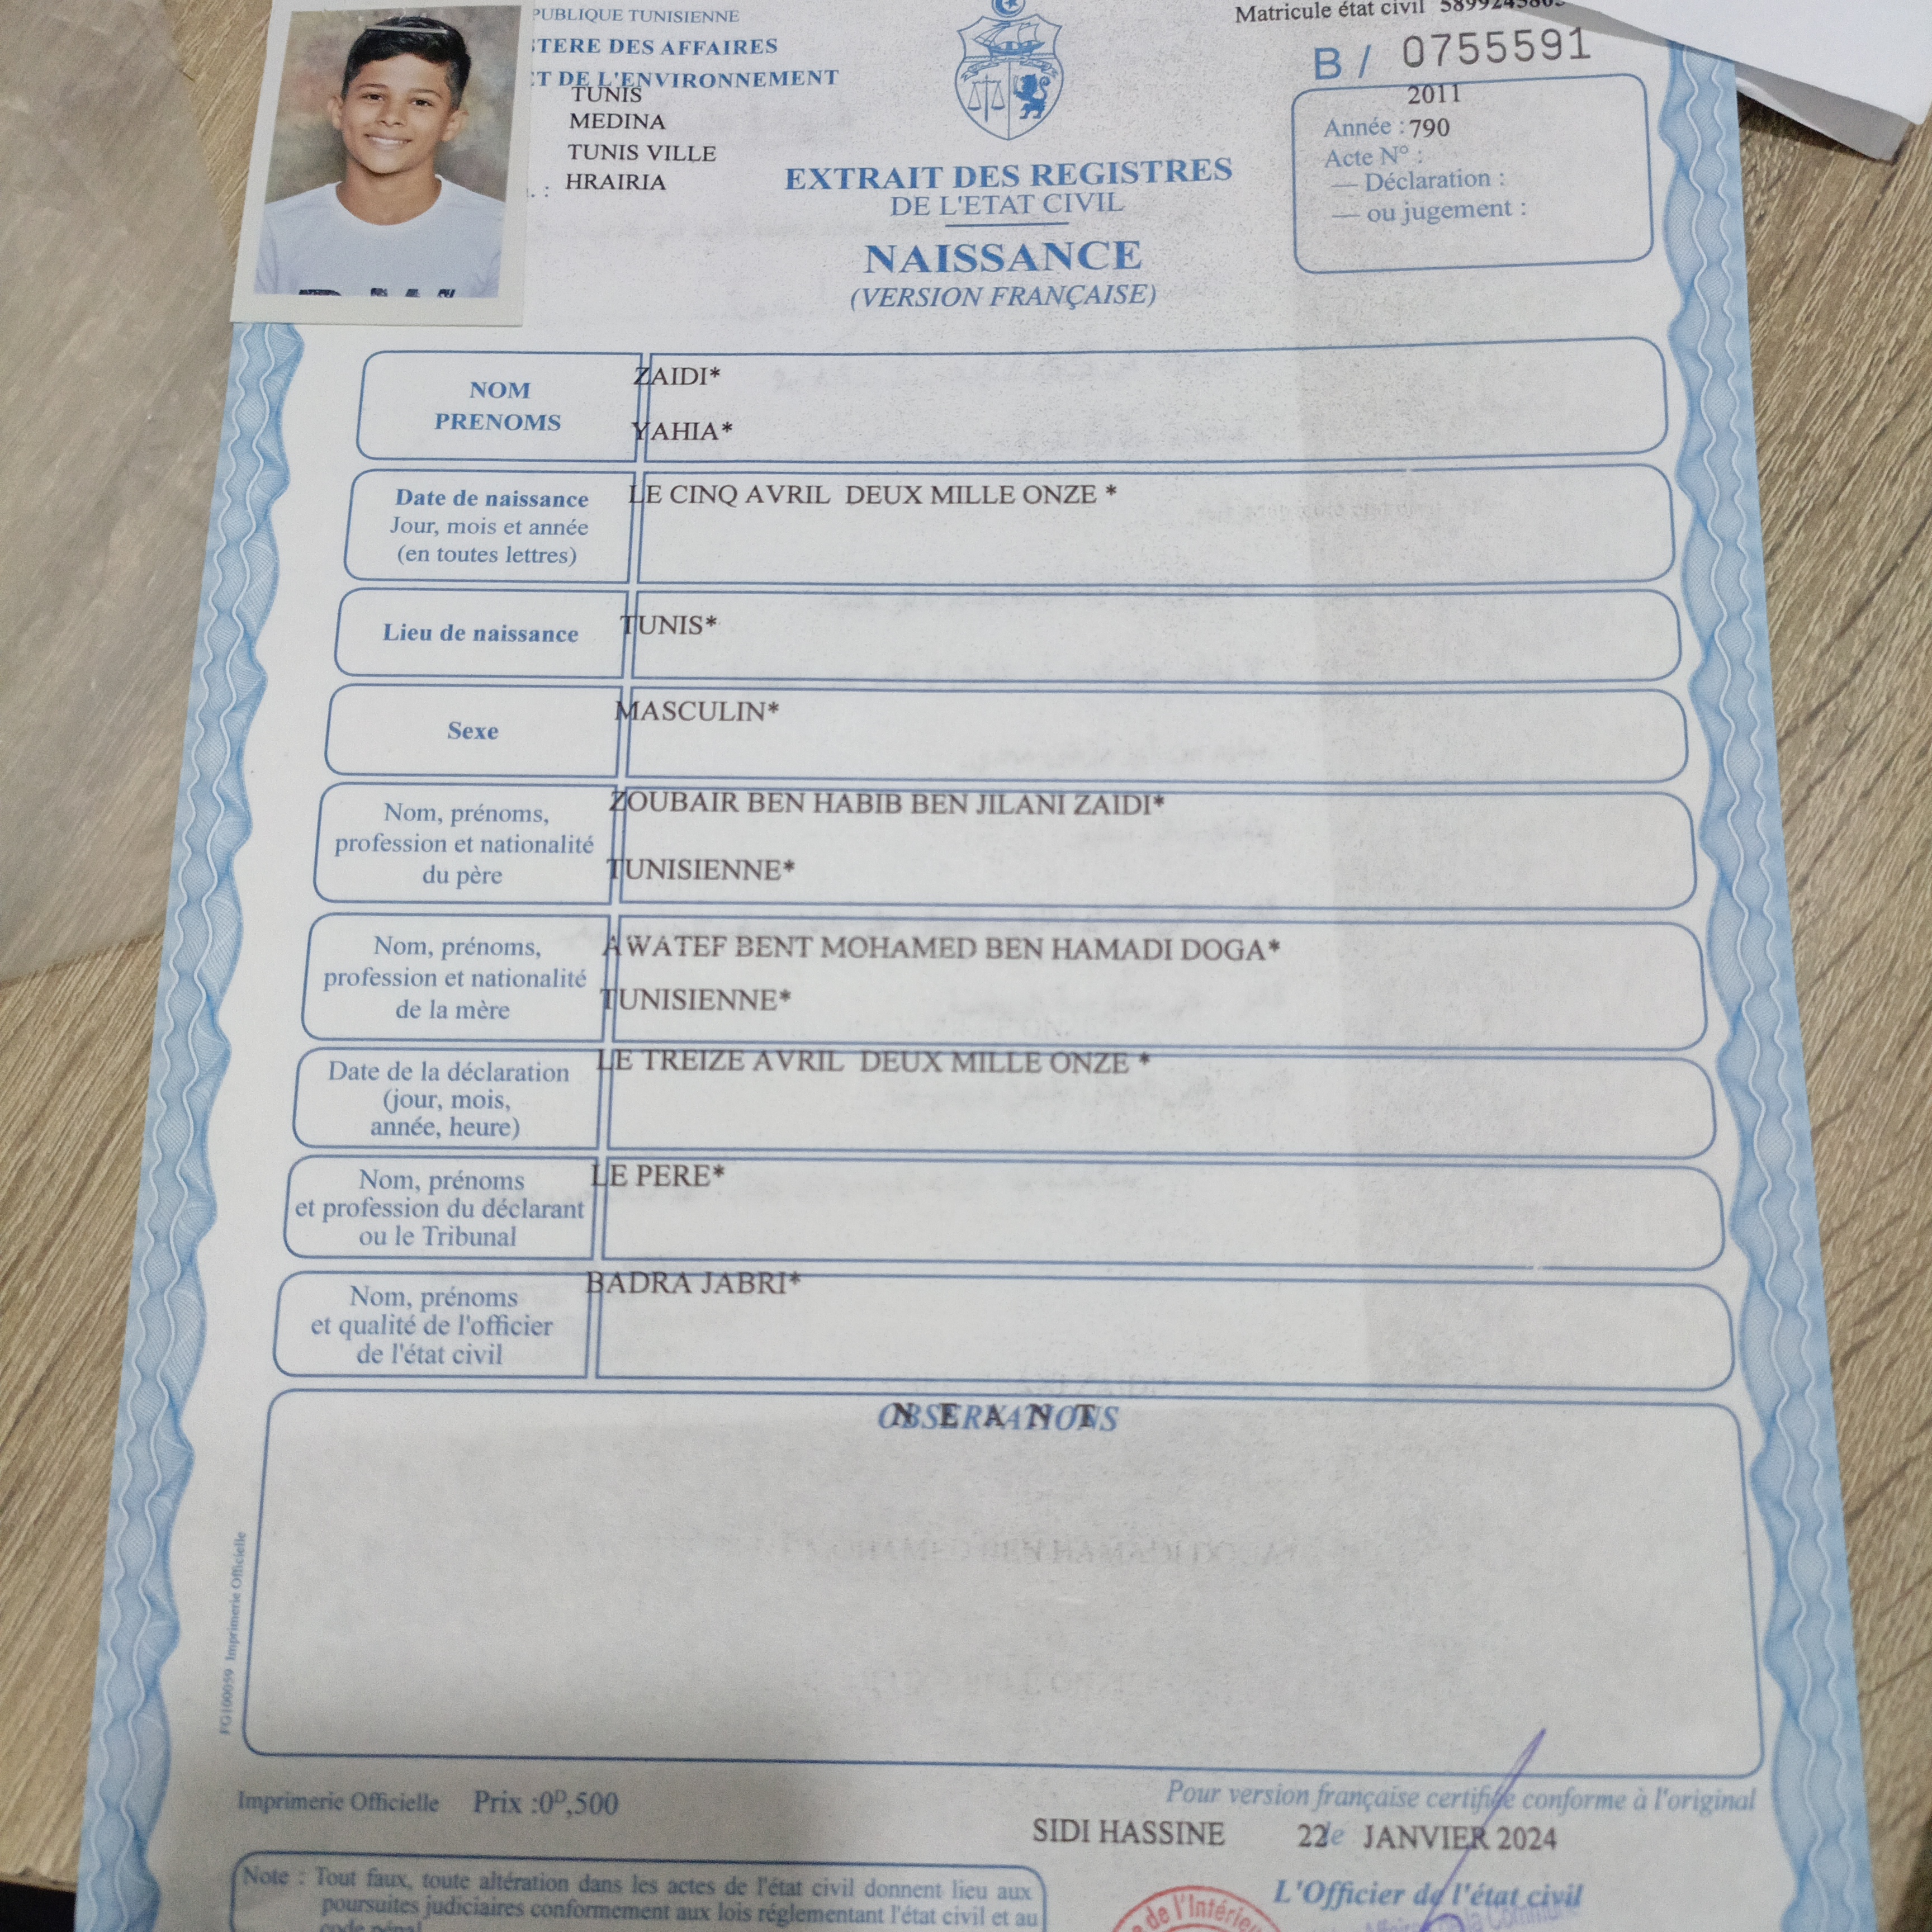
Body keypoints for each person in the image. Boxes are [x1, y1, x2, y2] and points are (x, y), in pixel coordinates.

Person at [255, 15, 503, 299]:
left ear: (451, 124)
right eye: (374, 96)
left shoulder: (498, 233)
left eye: (421, 102)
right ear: (339, 111)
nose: (391, 117)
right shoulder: (272, 231)